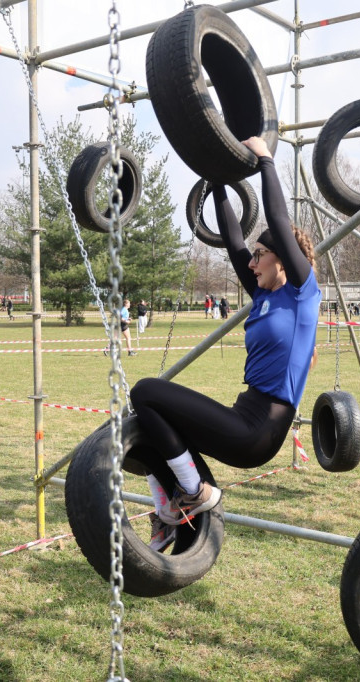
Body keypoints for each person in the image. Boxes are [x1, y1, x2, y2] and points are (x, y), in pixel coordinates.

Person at [129, 136, 320, 553]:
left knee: (145, 390)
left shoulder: (303, 294)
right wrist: (216, 180)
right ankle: (167, 516)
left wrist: (267, 160)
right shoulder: (266, 295)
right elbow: (233, 242)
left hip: (263, 427)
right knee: (144, 423)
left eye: (260, 255)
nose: (251, 264)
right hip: (244, 416)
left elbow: (276, 215)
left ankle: (197, 491)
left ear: (282, 258)